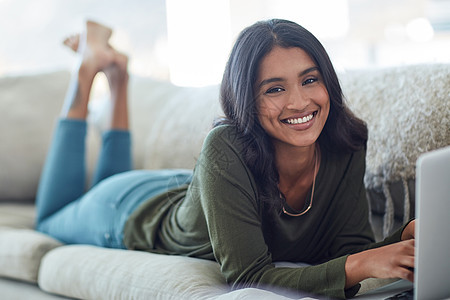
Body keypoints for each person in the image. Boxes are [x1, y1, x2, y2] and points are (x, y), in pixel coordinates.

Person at [36, 19, 415, 299]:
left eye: (310, 80)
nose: (300, 102)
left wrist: (404, 240)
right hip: (126, 211)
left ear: (327, 82)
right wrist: (361, 264)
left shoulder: (346, 142)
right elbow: (250, 276)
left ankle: (119, 77)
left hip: (187, 189)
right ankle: (87, 71)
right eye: (275, 89)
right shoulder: (225, 144)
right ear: (248, 100)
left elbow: (350, 253)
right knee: (47, 220)